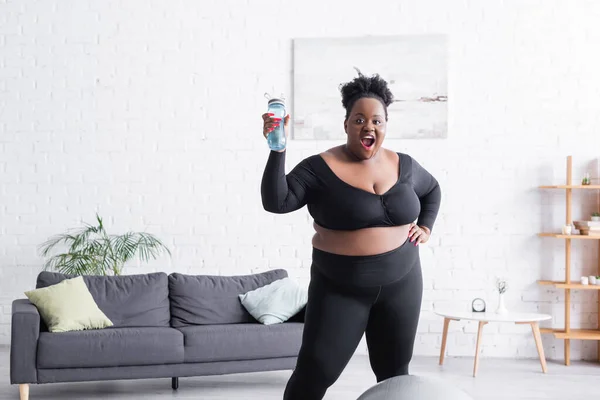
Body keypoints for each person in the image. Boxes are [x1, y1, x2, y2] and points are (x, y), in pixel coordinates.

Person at [260, 71, 441, 400]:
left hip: (403, 283)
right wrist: (278, 150)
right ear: (346, 124)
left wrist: (425, 226)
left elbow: (432, 190)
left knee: (395, 374)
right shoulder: (319, 168)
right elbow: (277, 201)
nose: (368, 127)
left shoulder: (406, 165)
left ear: (385, 126)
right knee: (314, 373)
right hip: (340, 289)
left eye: (377, 121)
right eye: (359, 119)